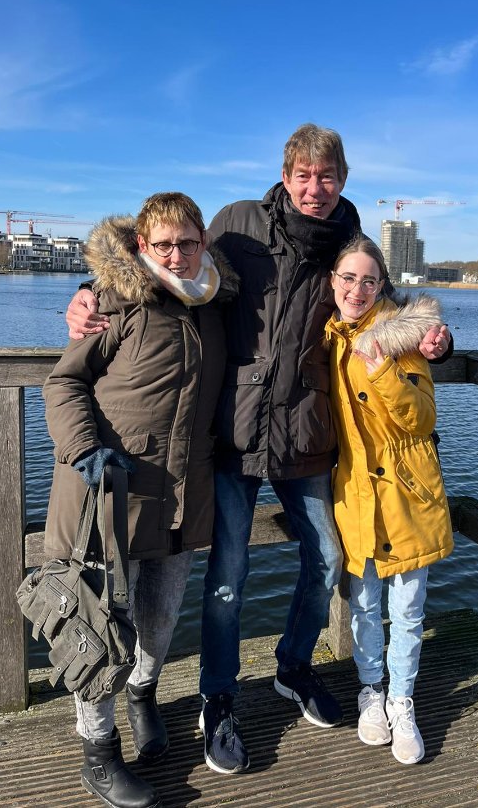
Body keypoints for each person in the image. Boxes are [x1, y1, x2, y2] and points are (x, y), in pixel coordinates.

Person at [65, 124, 453, 776]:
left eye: (326, 176)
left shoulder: (348, 240)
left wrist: (437, 337)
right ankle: (217, 698)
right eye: (303, 175)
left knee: (326, 559)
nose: (314, 188)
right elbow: (171, 270)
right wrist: (85, 292)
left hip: (306, 431)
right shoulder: (239, 223)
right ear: (284, 174)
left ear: (342, 180)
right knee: (228, 575)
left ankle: (292, 667)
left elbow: (383, 308)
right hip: (232, 431)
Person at [44, 192, 238, 808]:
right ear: (141, 246)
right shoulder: (114, 301)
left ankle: (143, 696)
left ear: (203, 243)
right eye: (163, 245)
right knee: (98, 626)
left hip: (181, 494)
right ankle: (97, 752)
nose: (176, 255)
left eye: (188, 243)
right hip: (108, 492)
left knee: (159, 617)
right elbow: (64, 382)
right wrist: (84, 449)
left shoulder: (213, 303)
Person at [324, 235, 454, 765]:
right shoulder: (325, 335)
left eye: (369, 280)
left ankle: (402, 700)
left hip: (406, 493)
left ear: (382, 286)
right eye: (348, 278)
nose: (357, 290)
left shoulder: (404, 335)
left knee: (407, 608)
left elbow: (422, 419)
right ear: (332, 281)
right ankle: (370, 691)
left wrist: (381, 369)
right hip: (355, 491)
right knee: (363, 604)